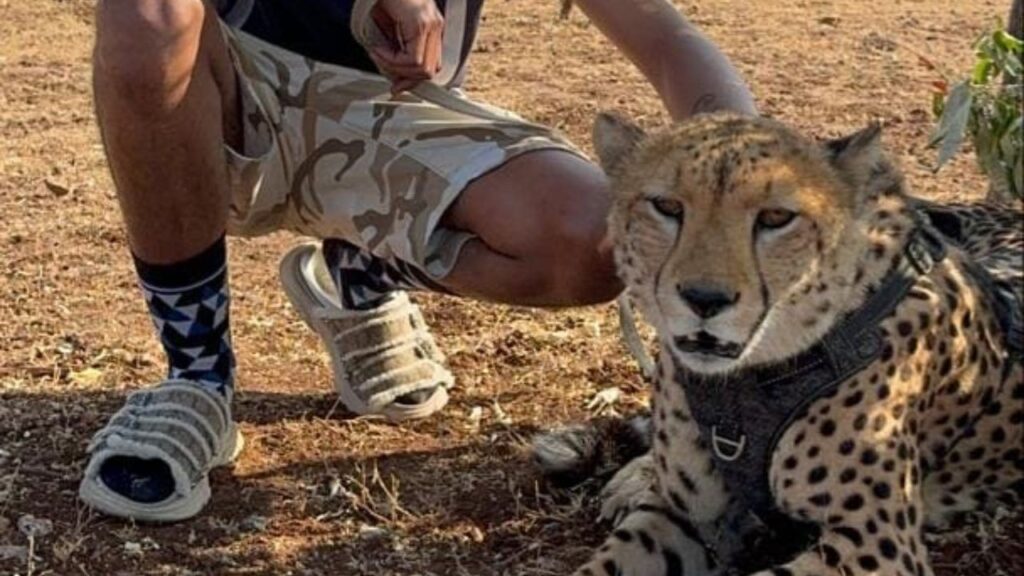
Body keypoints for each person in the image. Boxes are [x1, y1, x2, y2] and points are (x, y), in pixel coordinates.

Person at [79, 0, 757, 522]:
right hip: (219, 93)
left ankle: (363, 270)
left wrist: (749, 171)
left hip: (392, 115)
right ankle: (197, 380)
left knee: (593, 242)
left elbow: (667, 39)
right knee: (147, 15)